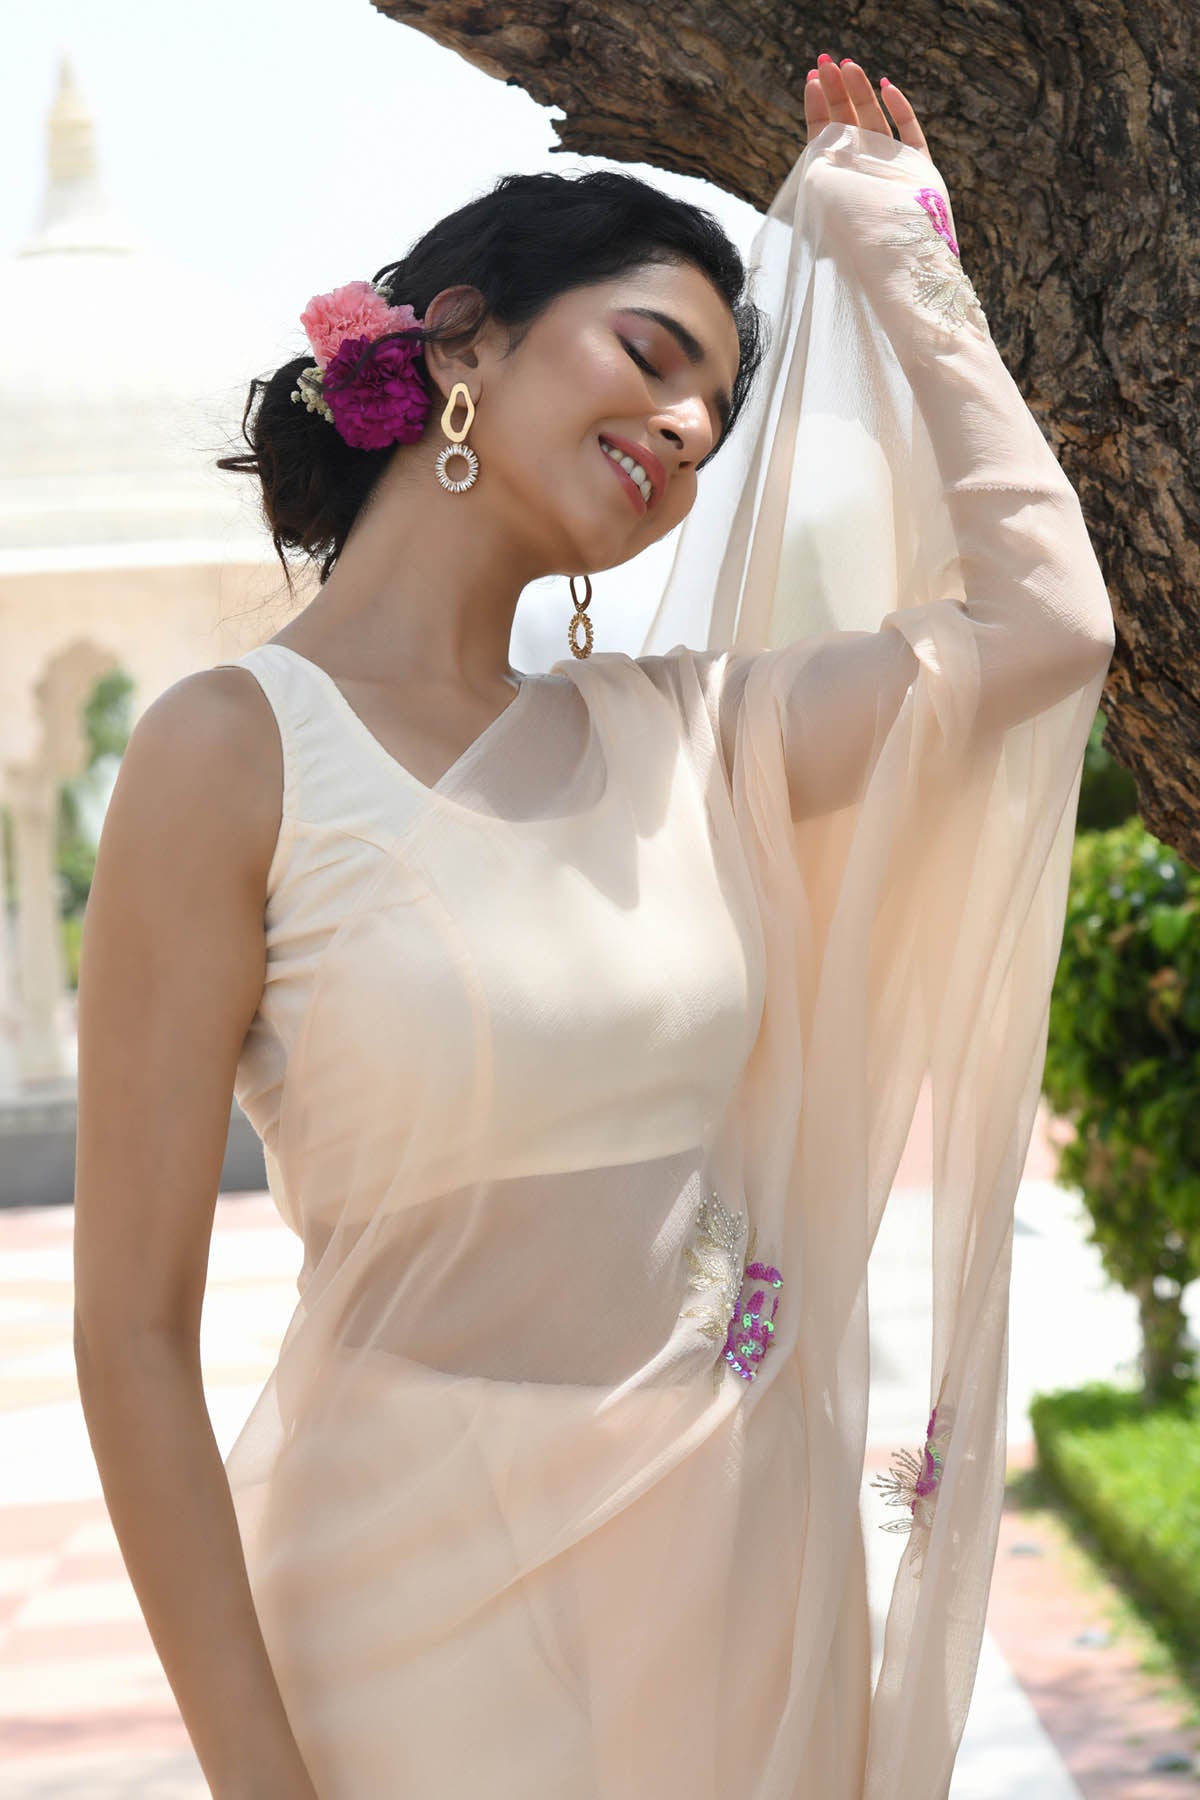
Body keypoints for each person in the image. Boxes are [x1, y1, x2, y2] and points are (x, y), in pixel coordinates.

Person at [73, 53, 1115, 1800]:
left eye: (717, 408)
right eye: (651, 354)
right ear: (463, 339)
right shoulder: (231, 755)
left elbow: (1049, 627)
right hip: (408, 1619)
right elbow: (127, 1334)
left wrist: (897, 251)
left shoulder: (692, 737)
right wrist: (256, 1774)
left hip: (730, 1597)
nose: (690, 427)